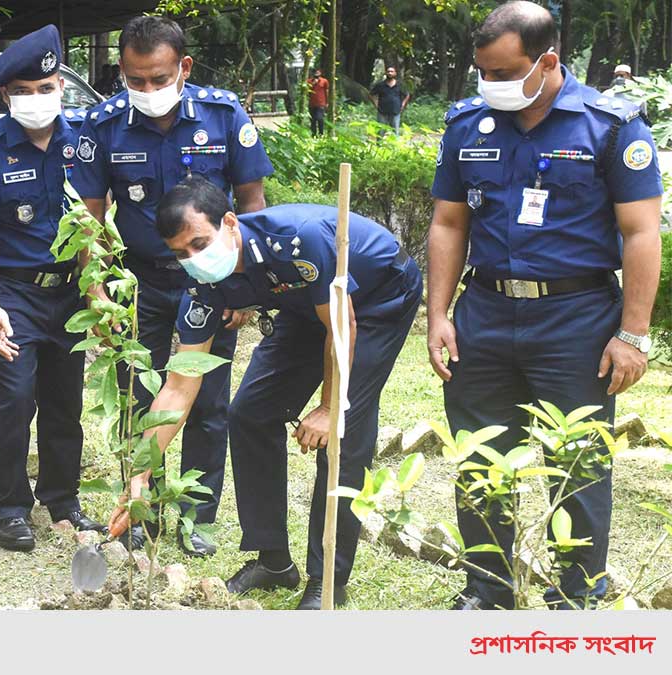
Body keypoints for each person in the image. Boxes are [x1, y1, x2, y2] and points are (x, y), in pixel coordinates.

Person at [428, 1, 663, 610]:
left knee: (577, 465)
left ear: (549, 60)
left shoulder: (609, 127)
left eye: (506, 74)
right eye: (484, 73)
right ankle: (489, 590)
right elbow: (449, 223)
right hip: (483, 311)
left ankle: (576, 596)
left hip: (577, 319)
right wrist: (439, 314)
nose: (492, 86)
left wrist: (633, 334)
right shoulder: (467, 125)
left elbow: (641, 233)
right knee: (480, 458)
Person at [107, 177, 421, 608]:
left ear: (230, 222)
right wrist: (140, 474)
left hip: (377, 298)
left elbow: (342, 326)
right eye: (181, 254)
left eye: (200, 243)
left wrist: (330, 407)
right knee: (251, 413)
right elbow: (180, 384)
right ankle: (273, 560)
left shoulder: (297, 241)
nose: (194, 259)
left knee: (344, 433)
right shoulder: (202, 285)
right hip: (305, 306)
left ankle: (328, 578)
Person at [71, 16, 274, 557]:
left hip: (211, 279)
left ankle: (194, 515)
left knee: (206, 401)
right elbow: (89, 216)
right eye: (136, 81)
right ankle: (143, 509)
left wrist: (247, 287)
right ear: (121, 73)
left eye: (160, 79)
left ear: (183, 68)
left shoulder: (223, 113)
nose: (149, 91)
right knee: (140, 399)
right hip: (137, 282)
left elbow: (252, 204)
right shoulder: (102, 125)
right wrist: (99, 294)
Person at [0, 25, 106, 552]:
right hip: (14, 292)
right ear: (5, 95)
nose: (36, 100)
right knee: (14, 400)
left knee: (66, 400)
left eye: (46, 88)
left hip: (71, 292)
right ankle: (10, 507)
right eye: (23, 91)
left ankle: (63, 500)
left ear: (61, 85)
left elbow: (91, 221)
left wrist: (98, 292)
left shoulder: (84, 142)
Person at [370, 66, 410, 134]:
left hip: (395, 112)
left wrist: (403, 104)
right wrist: (375, 104)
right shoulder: (380, 85)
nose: (390, 73)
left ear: (395, 73)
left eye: (392, 71)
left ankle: (395, 145)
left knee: (395, 132)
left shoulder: (399, 85)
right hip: (382, 112)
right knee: (380, 132)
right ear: (386, 73)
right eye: (388, 71)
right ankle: (379, 145)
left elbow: (407, 95)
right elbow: (371, 94)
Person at [307, 68, 329, 137]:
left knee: (320, 118)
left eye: (318, 72)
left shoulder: (324, 81)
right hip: (312, 104)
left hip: (321, 103)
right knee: (313, 120)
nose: (316, 74)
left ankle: (321, 134)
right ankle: (313, 134)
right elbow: (307, 92)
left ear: (320, 73)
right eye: (315, 72)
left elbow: (326, 91)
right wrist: (313, 84)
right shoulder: (309, 81)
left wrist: (327, 102)